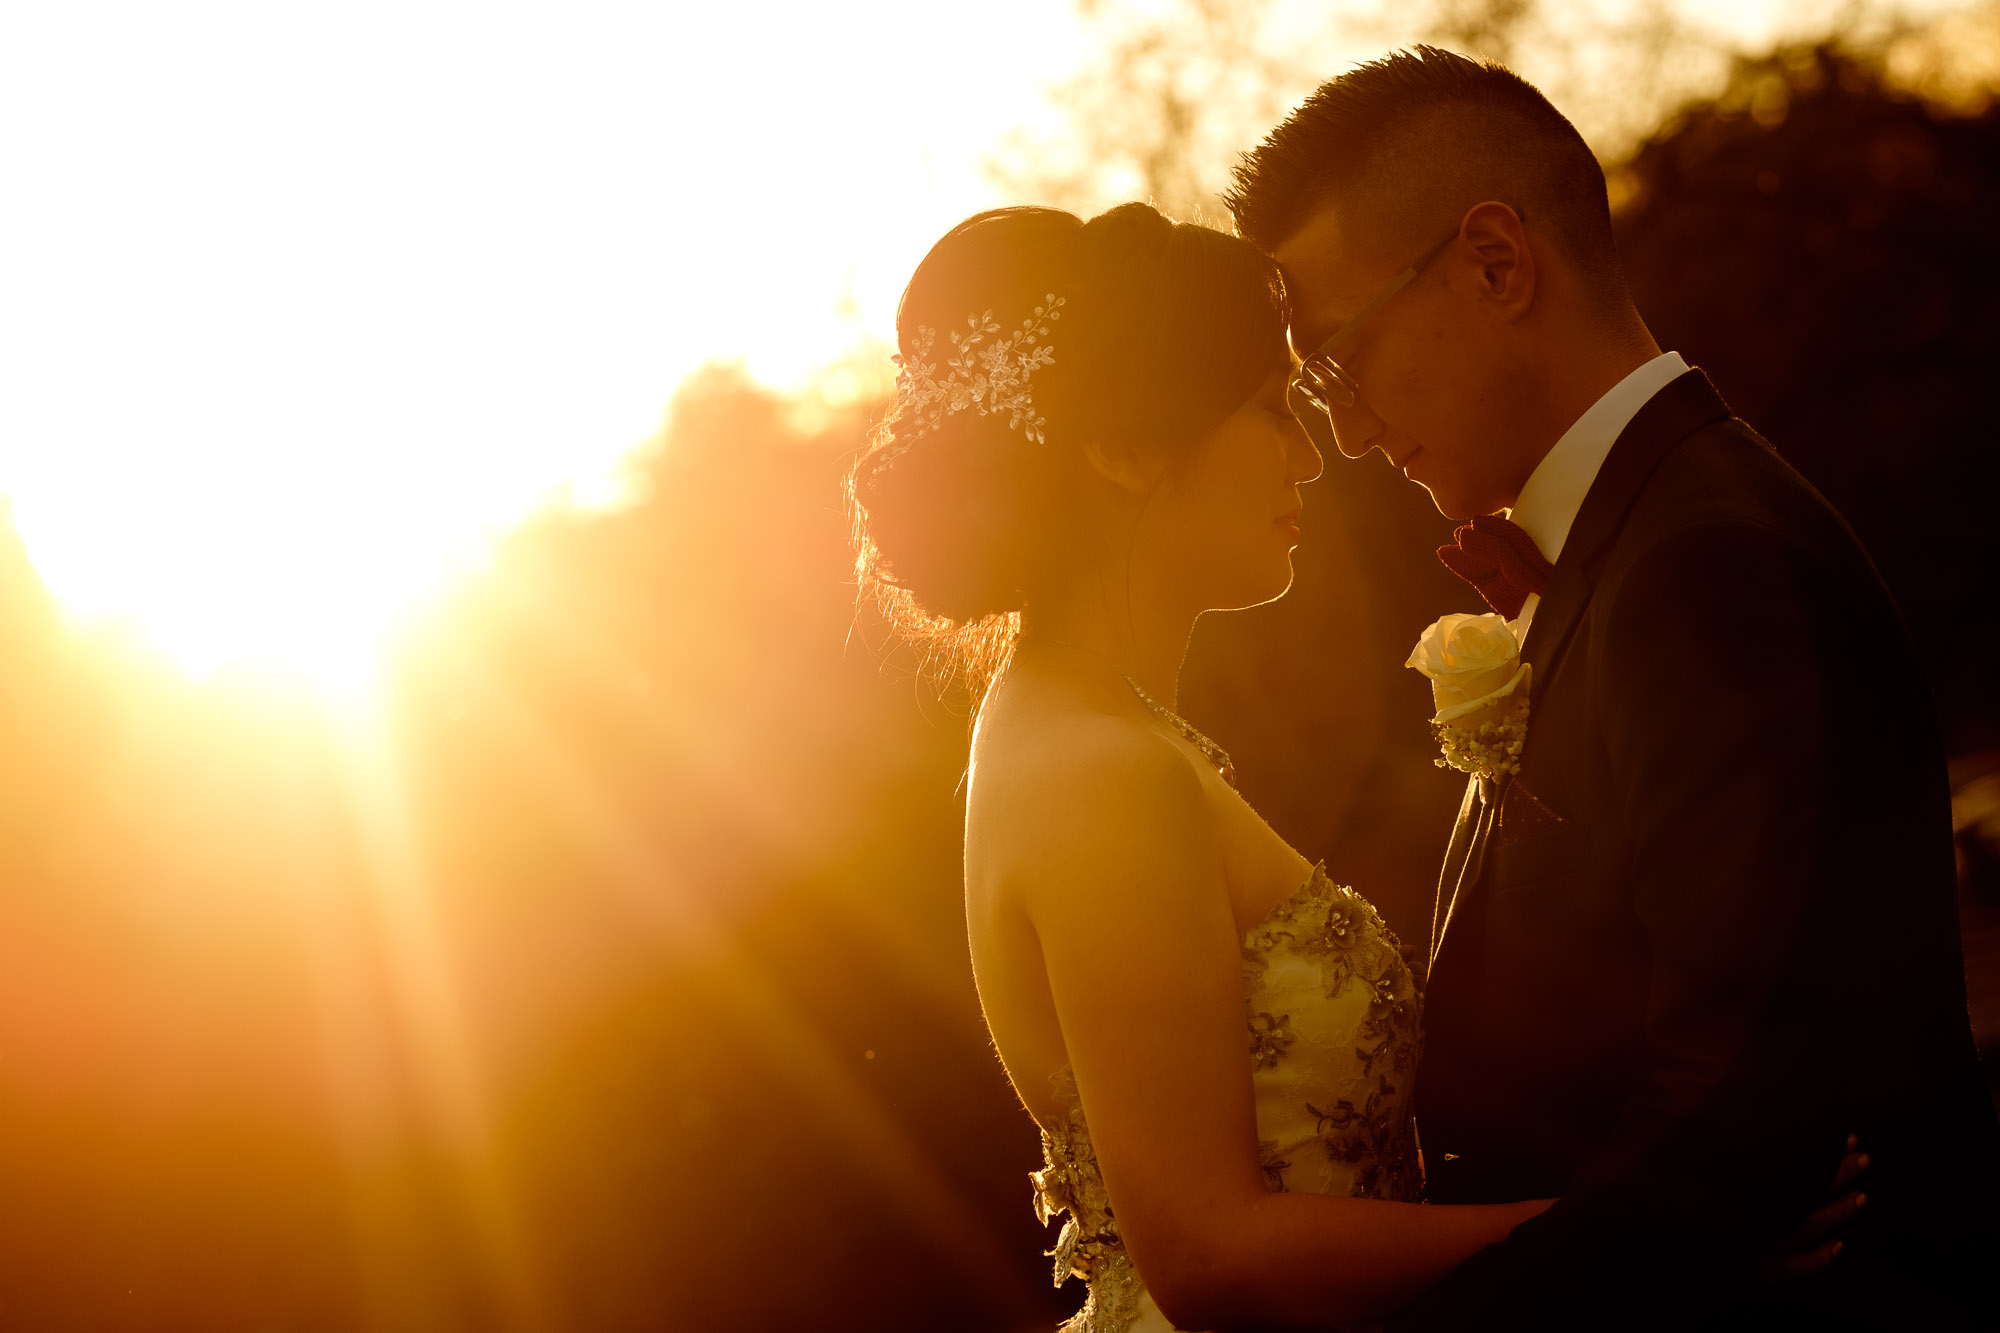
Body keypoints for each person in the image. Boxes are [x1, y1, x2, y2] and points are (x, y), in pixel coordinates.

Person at [849, 203, 1855, 1332]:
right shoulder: (1095, 773)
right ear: (1124, 449)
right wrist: (1652, 1231)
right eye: (1270, 410)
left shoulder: (1076, 727)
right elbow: (1210, 1255)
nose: (1311, 451)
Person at [1224, 44, 2000, 1331]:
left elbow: (1739, 1114)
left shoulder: (1705, 562)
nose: (1344, 429)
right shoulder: (1632, 539)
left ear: (1494, 263)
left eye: (1337, 356)